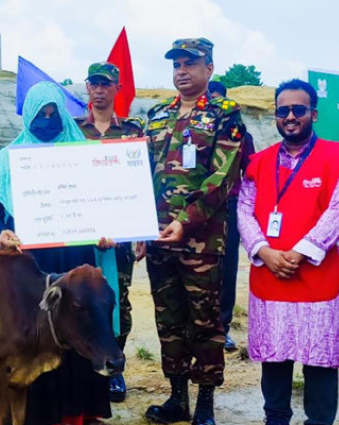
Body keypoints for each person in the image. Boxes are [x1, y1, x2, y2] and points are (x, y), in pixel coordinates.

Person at [0, 81, 114, 425]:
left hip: (76, 261)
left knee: (80, 328)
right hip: (29, 268)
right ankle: (36, 414)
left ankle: (80, 413)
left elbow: (105, 204)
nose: (48, 119)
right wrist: (0, 234)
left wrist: (108, 232)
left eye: (54, 113)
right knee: (35, 335)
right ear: (30, 116)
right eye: (42, 113)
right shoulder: (8, 159)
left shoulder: (84, 153)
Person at [239, 79, 339, 425]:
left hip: (318, 276)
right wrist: (264, 250)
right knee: (274, 358)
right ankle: (275, 419)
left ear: (313, 114)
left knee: (319, 361)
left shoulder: (338, 157)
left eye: (298, 110)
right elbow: (244, 211)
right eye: (283, 110)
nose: (290, 116)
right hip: (270, 273)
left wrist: (300, 252)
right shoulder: (258, 163)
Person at [141, 37, 245, 425]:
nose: (182, 70)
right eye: (177, 64)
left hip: (201, 241)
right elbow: (140, 177)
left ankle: (204, 404)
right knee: (169, 321)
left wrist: (185, 221)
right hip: (157, 239)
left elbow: (223, 176)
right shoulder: (157, 115)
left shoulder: (225, 113)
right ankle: (177, 397)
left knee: (204, 322)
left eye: (190, 63)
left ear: (209, 69)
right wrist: (137, 227)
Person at [74, 61, 144, 403]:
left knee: (118, 302)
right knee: (79, 302)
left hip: (120, 236)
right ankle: (84, 366)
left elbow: (145, 184)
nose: (100, 90)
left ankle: (115, 366)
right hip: (80, 233)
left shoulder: (132, 131)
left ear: (118, 88)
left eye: (106, 84)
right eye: (94, 84)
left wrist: (140, 230)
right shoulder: (72, 131)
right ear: (87, 88)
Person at [208, 80, 256, 352]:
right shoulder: (195, 130)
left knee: (226, 268)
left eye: (218, 101)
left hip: (229, 204)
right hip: (198, 207)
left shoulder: (240, 133)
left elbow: (251, 172)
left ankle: (222, 327)